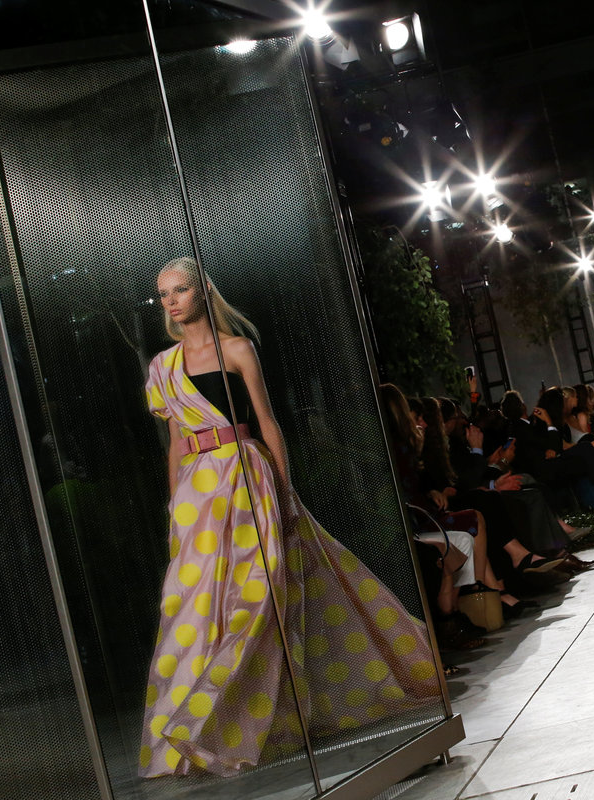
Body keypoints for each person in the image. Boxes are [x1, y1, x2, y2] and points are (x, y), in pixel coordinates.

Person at [141, 258, 438, 777]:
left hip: (247, 475)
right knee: (197, 605)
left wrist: (285, 490)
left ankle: (225, 718)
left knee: (260, 594)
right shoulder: (163, 366)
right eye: (163, 294)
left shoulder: (237, 348)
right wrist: (174, 508)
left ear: (203, 291)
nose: (171, 302)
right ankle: (202, 722)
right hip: (198, 495)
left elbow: (267, 421)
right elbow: (176, 443)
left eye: (179, 290)